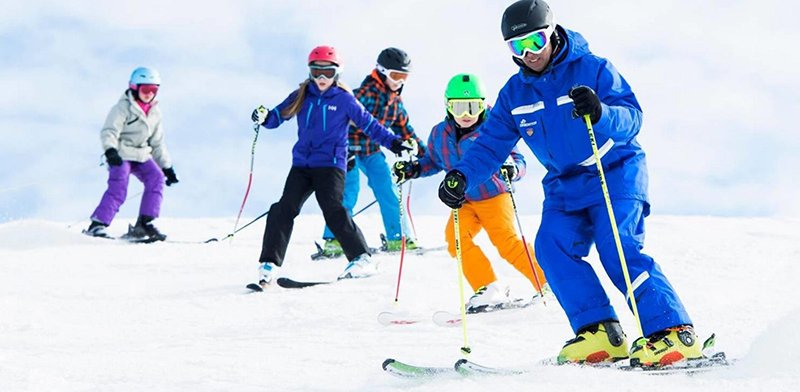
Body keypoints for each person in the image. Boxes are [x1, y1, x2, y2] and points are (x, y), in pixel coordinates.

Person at [437, 0, 704, 367]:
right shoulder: (515, 94)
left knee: (617, 248)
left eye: (536, 41)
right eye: (518, 47)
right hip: (565, 183)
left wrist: (601, 111)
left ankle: (673, 332)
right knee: (550, 248)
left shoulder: (593, 69)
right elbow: (489, 145)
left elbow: (633, 118)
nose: (530, 53)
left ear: (553, 33)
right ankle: (600, 331)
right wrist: (461, 176)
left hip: (613, 170)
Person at [250, 45, 411, 287]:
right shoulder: (301, 96)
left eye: (327, 72)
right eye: (316, 72)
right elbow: (276, 117)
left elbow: (370, 126)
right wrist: (263, 118)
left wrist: (395, 144)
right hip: (302, 165)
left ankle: (362, 257)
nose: (322, 78)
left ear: (338, 73)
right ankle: (268, 264)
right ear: (310, 72)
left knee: (334, 209)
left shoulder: (345, 100)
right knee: (283, 208)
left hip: (331, 165)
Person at [394, 73, 548, 311]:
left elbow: (519, 160)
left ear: (483, 105)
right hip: (464, 200)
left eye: (472, 107)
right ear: (448, 106)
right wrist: (414, 169)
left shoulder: (494, 129)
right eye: (459, 107)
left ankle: (548, 282)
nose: (466, 115)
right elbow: (433, 161)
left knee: (507, 244)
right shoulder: (439, 134)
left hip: (494, 196)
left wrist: (513, 169)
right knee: (455, 240)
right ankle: (488, 287)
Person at [319, 47, 426, 258]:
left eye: (404, 77)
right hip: (348, 151)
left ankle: (398, 238)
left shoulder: (395, 102)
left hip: (371, 152)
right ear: (382, 71)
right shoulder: (365, 94)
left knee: (387, 189)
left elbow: (405, 130)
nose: (400, 82)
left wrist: (426, 153)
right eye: (396, 76)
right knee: (348, 192)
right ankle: (334, 240)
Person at [84, 66, 179, 242]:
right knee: (119, 187)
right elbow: (109, 131)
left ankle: (144, 223)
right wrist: (111, 151)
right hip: (121, 153)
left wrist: (167, 168)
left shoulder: (155, 113)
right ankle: (97, 224)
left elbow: (157, 142)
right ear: (134, 88)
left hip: (142, 154)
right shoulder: (122, 108)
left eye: (154, 90)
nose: (149, 94)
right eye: (145, 89)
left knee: (156, 178)